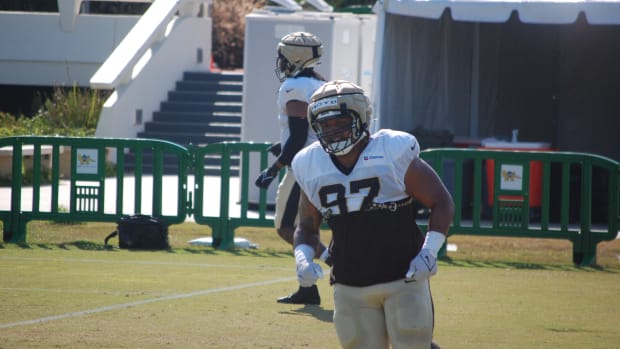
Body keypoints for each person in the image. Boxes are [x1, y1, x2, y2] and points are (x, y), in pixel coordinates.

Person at [290, 80, 454, 349]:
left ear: (361, 117)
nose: (333, 131)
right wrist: (303, 257)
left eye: (340, 121)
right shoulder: (310, 164)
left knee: (414, 344)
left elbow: (441, 201)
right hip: (349, 282)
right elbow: (306, 227)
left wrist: (429, 251)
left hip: (404, 276)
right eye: (325, 125)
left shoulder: (392, 151)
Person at [254, 31, 330, 305]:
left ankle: (341, 266)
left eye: (283, 55)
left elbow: (298, 137)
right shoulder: (321, 84)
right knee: (307, 228)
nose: (280, 61)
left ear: (295, 57)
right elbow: (310, 130)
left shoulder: (294, 87)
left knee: (287, 227)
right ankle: (307, 287)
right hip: (321, 163)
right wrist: (282, 144)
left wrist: (274, 168)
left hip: (304, 166)